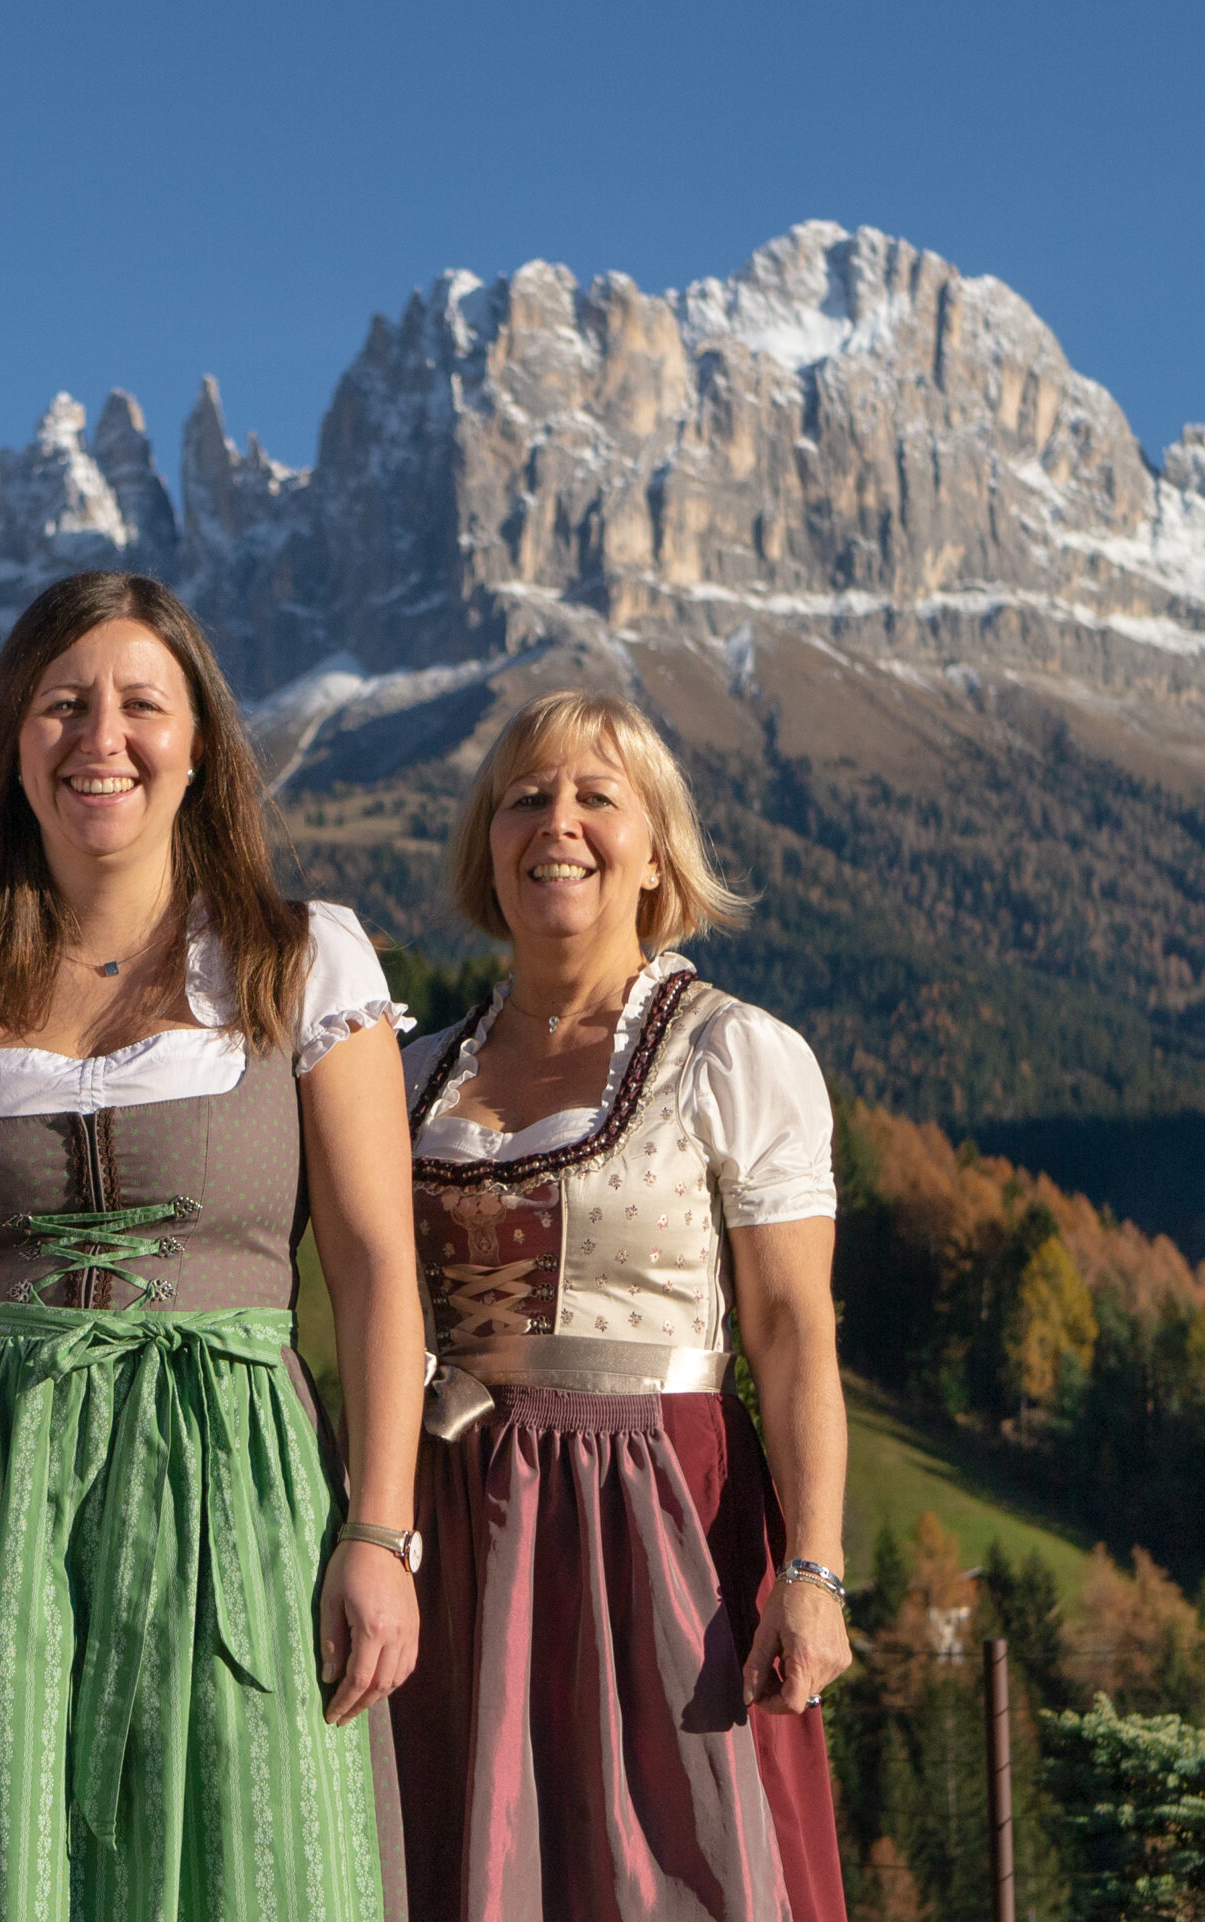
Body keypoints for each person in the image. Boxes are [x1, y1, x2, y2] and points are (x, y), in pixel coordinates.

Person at [0, 571, 427, 1922]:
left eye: (141, 704)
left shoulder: (300, 958)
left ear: (199, 743)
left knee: (245, 1855)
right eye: (62, 705)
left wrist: (381, 1532)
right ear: (10, 740)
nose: (102, 737)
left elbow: (376, 1265)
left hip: (237, 1488)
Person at [391, 689, 851, 1921]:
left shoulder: (731, 1053)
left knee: (665, 1858)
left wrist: (814, 1567)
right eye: (525, 798)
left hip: (654, 1504)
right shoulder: (410, 1072)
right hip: (452, 1506)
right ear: (487, 842)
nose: (558, 822)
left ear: (655, 852)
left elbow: (791, 1328)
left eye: (597, 796)